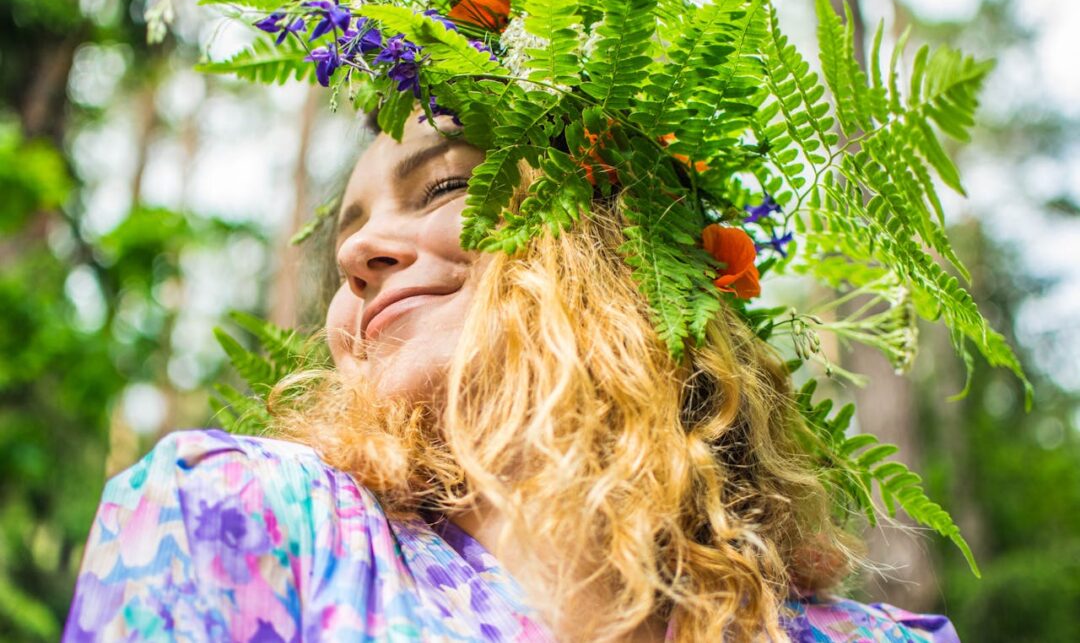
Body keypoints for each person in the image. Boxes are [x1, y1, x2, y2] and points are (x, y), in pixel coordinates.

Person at [62, 111, 960, 642]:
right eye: (351, 226)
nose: (354, 252)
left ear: (620, 247)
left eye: (444, 187)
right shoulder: (243, 521)